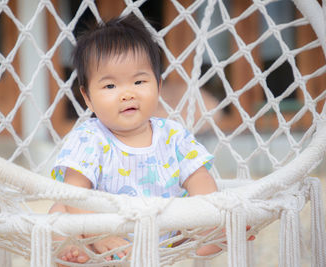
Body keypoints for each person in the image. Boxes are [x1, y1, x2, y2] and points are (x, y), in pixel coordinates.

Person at [49, 14, 253, 265]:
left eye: (139, 81)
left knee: (202, 216)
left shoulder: (173, 135)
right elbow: (73, 193)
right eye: (110, 86)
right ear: (88, 97)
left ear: (157, 85)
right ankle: (71, 252)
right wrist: (98, 233)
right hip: (99, 235)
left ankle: (213, 238)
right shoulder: (88, 137)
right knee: (59, 212)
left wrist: (212, 217)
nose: (127, 94)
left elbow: (200, 182)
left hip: (164, 236)